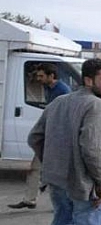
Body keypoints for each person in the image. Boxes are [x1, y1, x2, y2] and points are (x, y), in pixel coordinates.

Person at [25, 58, 101, 225]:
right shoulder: (94, 105)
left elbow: (35, 137)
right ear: (87, 80)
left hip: (57, 184)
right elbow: (90, 147)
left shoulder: (58, 102)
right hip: (85, 188)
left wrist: (52, 164)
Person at [8, 63, 73, 210]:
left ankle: (66, 202)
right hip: (48, 135)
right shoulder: (48, 88)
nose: (39, 78)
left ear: (51, 76)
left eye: (41, 76)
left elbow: (63, 116)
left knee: (59, 172)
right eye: (38, 76)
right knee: (35, 168)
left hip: (58, 138)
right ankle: (30, 199)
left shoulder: (62, 91)